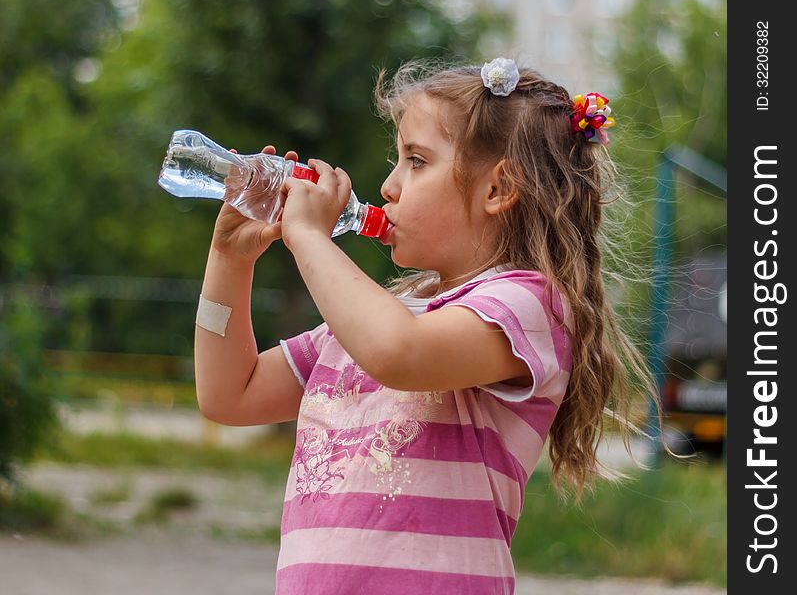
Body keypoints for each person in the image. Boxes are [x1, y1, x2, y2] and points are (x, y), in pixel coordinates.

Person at [193, 58, 657, 594]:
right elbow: (231, 393)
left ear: (497, 190)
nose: (388, 186)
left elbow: (401, 354)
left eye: (415, 161)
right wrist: (229, 262)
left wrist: (308, 236)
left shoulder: (528, 305)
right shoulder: (375, 320)